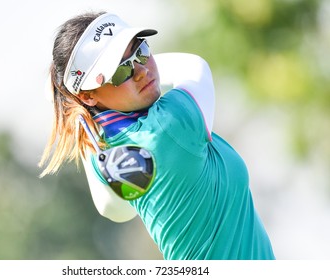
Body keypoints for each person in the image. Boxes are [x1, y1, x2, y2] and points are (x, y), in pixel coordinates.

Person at [39, 11, 275, 260]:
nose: (141, 71)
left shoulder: (107, 155)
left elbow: (114, 210)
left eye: (141, 50)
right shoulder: (169, 125)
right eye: (121, 71)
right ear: (88, 96)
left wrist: (75, 103)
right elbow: (195, 66)